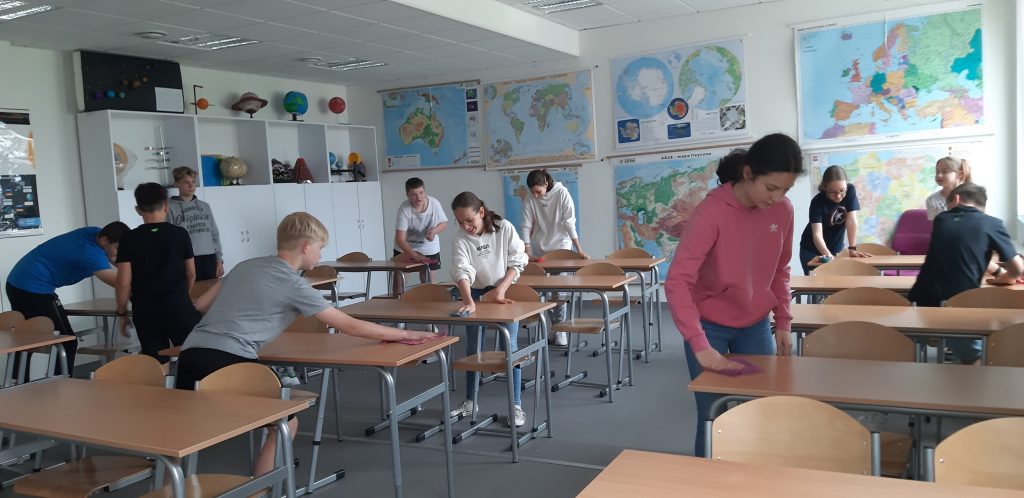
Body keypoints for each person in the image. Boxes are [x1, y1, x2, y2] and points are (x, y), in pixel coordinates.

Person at [175, 212, 437, 476]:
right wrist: (404, 335)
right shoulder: (294, 285)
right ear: (306, 246)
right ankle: (262, 487)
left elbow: (201, 304)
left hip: (190, 356)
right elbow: (349, 325)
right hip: (231, 364)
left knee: (189, 433)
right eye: (320, 248)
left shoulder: (245, 265)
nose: (321, 255)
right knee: (284, 425)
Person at [665, 134, 804, 457]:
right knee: (713, 416)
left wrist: (783, 320)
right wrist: (699, 343)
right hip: (709, 325)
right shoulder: (711, 213)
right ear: (748, 173)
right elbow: (678, 281)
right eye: (770, 188)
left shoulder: (782, 210)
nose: (777, 197)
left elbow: (781, 268)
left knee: (761, 410)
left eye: (785, 190)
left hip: (755, 324)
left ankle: (756, 479)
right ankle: (707, 480)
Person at [909, 183, 1023, 364]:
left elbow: (963, 249)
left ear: (956, 199)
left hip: (923, 296)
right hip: (961, 300)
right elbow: (1018, 268)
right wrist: (1007, 279)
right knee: (972, 358)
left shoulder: (941, 220)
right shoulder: (992, 223)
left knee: (909, 349)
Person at [5, 221, 128, 379]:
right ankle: (60, 385)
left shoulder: (94, 233)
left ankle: (17, 382)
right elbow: (121, 283)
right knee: (66, 341)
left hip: (17, 282)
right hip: (32, 287)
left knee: (27, 337)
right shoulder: (90, 253)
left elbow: (115, 258)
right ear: (104, 240)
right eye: (118, 248)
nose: (120, 253)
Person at [449, 191, 529, 427]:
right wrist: (469, 301)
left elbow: (517, 260)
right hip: (474, 291)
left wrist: (501, 290)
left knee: (510, 348)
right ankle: (470, 401)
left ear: (481, 212)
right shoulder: (460, 238)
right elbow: (462, 270)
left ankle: (516, 406)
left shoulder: (504, 228)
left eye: (469, 220)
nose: (465, 226)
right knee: (473, 348)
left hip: (503, 289)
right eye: (460, 222)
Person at [114, 183, 201, 364]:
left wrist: (122, 313)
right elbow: (191, 273)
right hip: (178, 307)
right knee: (192, 357)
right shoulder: (180, 234)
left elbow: (123, 282)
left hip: (146, 310)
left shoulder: (129, 239)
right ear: (166, 206)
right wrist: (183, 295)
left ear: (138, 210)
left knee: (157, 362)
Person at [520, 169, 586, 346]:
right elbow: (526, 226)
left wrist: (578, 249)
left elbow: (569, 222)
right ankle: (554, 327)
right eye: (532, 192)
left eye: (538, 191)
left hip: (561, 247)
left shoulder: (562, 193)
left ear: (546, 184)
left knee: (558, 291)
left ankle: (560, 330)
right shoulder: (530, 198)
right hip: (540, 247)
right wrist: (527, 251)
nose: (535, 195)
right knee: (544, 291)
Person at [797, 165, 870, 275]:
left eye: (842, 191)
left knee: (836, 283)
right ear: (825, 187)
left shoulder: (850, 191)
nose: (839, 196)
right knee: (816, 284)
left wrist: (852, 248)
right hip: (811, 250)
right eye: (833, 192)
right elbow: (817, 234)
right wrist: (827, 255)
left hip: (836, 249)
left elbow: (851, 222)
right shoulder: (817, 202)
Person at [393, 177, 447, 295]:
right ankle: (398, 302)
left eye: (421, 193)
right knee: (399, 284)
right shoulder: (404, 209)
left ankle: (429, 304)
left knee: (429, 282)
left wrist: (434, 231)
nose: (419, 197)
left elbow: (444, 223)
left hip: (428, 247)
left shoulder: (434, 203)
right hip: (406, 247)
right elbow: (400, 239)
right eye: (414, 194)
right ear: (407, 195)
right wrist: (414, 255)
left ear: (425, 191)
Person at [168, 166, 223, 280]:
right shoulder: (170, 208)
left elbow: (214, 234)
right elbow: (170, 239)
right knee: (191, 290)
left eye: (193, 182)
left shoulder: (205, 206)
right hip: (187, 259)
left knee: (211, 289)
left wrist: (219, 260)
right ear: (176, 183)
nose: (191, 185)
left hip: (209, 257)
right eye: (186, 182)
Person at [925, 156, 972, 221]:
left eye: (945, 172)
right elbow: (936, 225)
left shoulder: (971, 197)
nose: (939, 175)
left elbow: (979, 221)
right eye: (937, 172)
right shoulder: (933, 200)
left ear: (959, 174)